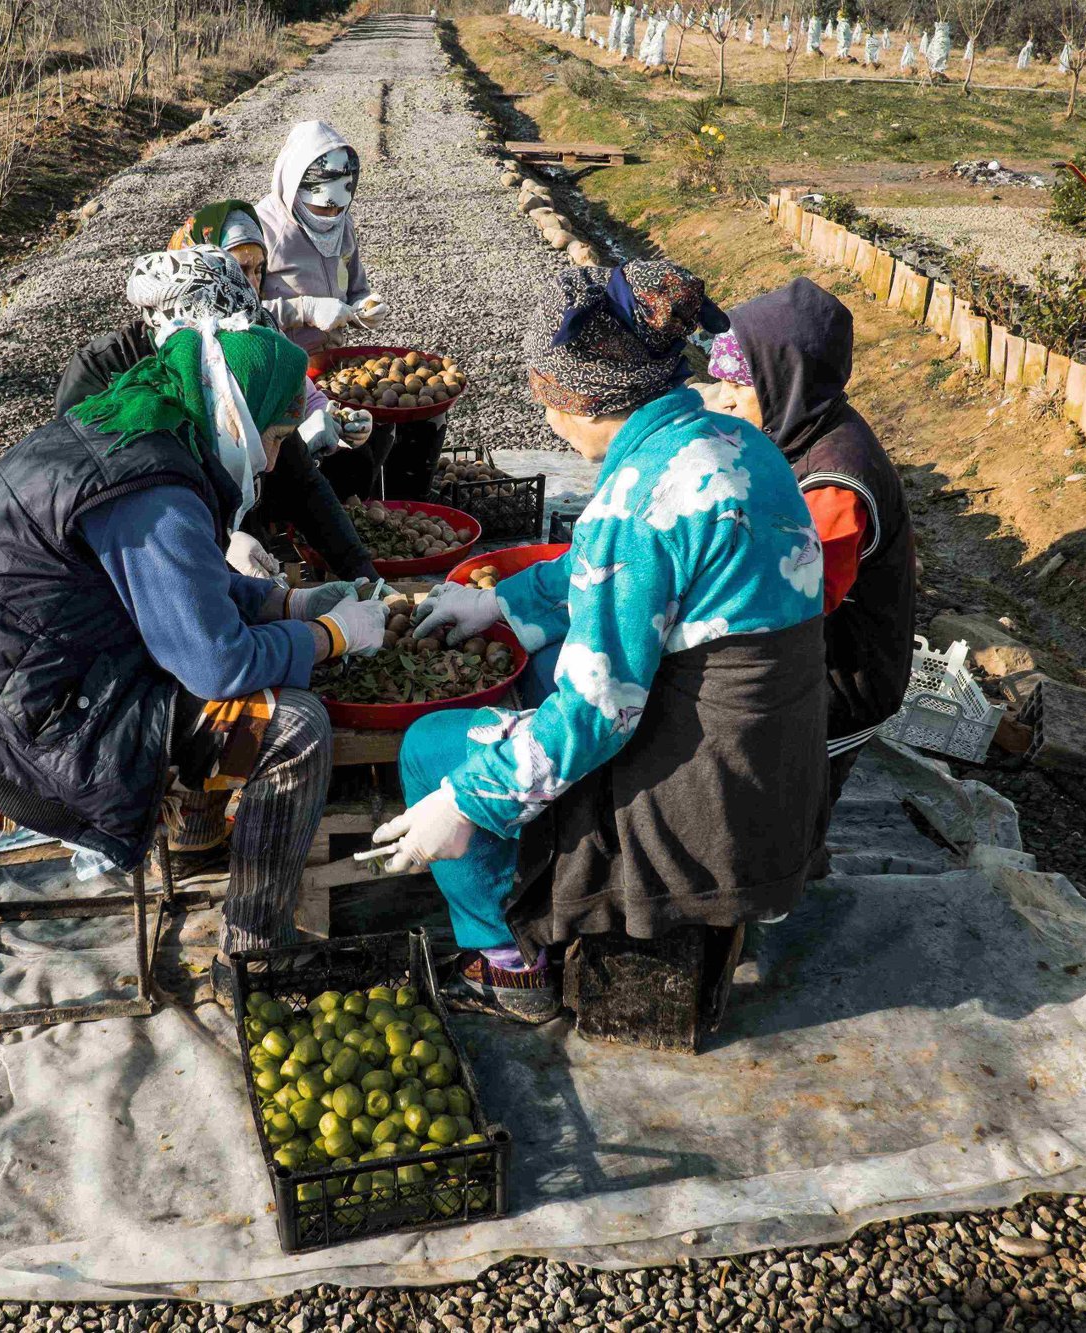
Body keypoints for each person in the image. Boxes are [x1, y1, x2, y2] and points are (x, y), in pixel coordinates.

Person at [0, 312, 391, 1001]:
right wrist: (334, 636)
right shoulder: (155, 489)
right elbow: (218, 664)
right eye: (274, 439)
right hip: (20, 718)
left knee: (231, 682)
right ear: (238, 416)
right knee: (293, 727)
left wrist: (286, 605)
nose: (273, 463)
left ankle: (201, 827)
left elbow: (177, 589)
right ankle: (253, 952)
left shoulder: (136, 422)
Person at [376, 261, 831, 1022]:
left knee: (432, 745)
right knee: (548, 670)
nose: (545, 418)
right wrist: (500, 606)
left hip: (704, 801)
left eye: (546, 398)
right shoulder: (728, 439)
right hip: (775, 769)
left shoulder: (640, 498)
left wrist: (467, 799)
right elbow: (604, 573)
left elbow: (597, 710)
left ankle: (508, 965)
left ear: (579, 400)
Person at [705, 278, 916, 802]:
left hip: (843, 678)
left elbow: (798, 596)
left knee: (793, 792)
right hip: (813, 652)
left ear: (784, 381)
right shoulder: (800, 426)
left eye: (737, 383)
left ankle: (796, 859)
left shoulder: (836, 482)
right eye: (720, 380)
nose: (722, 398)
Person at [52, 244, 378, 582]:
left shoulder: (238, 368)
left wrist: (361, 573)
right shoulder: (102, 372)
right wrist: (220, 540)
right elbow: (103, 501)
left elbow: (301, 481)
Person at [256, 121, 445, 503]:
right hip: (284, 370)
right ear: (293, 187)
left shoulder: (342, 226)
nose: (329, 215)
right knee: (327, 462)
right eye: (319, 206)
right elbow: (239, 315)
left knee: (374, 443)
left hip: (336, 366)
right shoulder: (262, 231)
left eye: (339, 206)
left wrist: (363, 307)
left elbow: (355, 285)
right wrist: (304, 309)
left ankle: (370, 513)